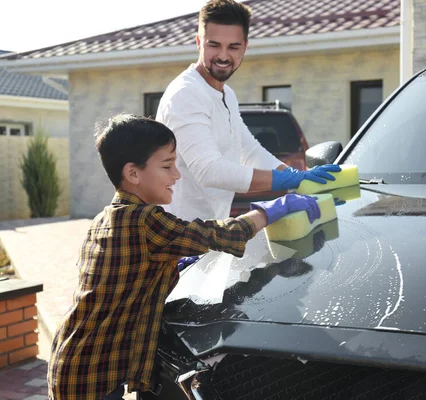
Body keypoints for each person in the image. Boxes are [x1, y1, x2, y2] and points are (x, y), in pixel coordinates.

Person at [46, 114, 321, 400]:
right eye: (167, 166)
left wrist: (171, 263)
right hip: (91, 377)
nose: (176, 175)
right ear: (133, 174)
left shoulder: (108, 217)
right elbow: (215, 234)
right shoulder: (144, 220)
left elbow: (124, 271)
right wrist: (270, 210)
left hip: (75, 360)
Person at [156, 0, 341, 222]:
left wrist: (298, 177)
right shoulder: (186, 94)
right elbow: (209, 171)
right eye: (214, 45)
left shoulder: (227, 95)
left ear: (245, 47)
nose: (223, 56)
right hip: (177, 238)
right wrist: (287, 181)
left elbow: (250, 151)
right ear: (198, 43)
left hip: (209, 232)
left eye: (233, 47)